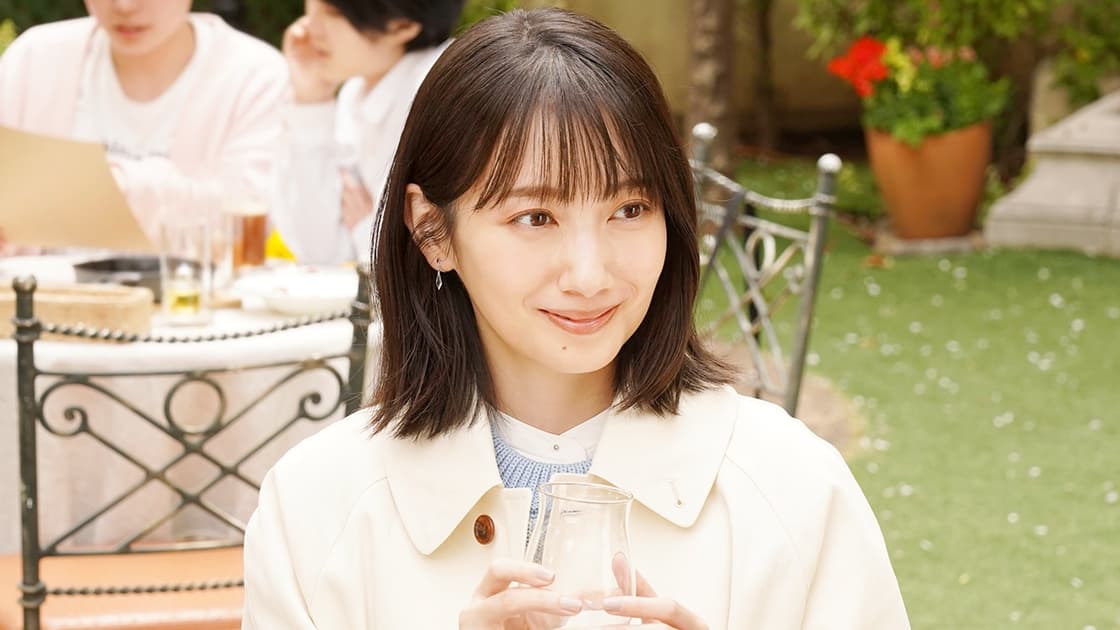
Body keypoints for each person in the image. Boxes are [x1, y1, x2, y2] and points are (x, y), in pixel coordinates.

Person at [243, 8, 910, 629]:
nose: (590, 275)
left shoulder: (794, 488)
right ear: (432, 231)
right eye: (535, 218)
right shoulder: (314, 507)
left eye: (629, 210)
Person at [0, 0, 287, 245]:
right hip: (40, 292)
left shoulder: (256, 78)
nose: (125, 6)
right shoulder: (35, 58)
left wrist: (107, 186)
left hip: (189, 294)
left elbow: (246, 225)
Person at [271, 0, 464, 265]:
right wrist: (311, 97)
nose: (308, 28)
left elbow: (434, 261)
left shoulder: (446, 94)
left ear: (402, 26)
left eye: (333, 12)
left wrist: (365, 232)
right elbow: (319, 253)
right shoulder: (356, 92)